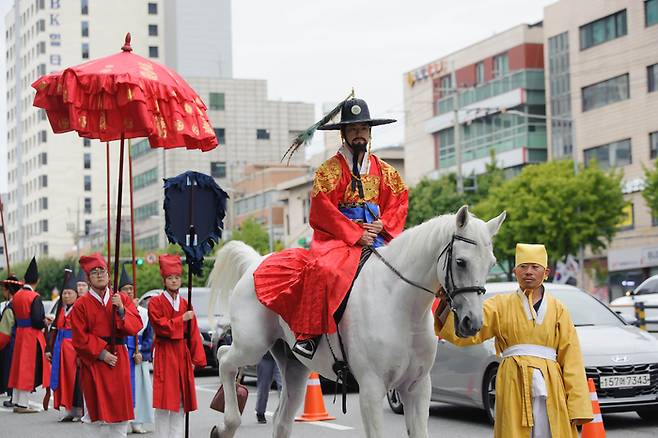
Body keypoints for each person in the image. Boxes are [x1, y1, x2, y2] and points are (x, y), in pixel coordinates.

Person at [253, 96, 408, 359]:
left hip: (379, 236)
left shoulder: (385, 171)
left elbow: (399, 202)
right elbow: (323, 211)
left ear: (369, 133)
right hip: (339, 239)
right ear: (344, 135)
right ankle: (310, 334)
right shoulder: (328, 171)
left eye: (363, 129)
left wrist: (384, 224)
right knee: (324, 270)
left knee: (411, 269)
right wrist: (357, 233)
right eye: (353, 129)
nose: (359, 134)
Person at [434, 243, 593, 438]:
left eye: (535, 267)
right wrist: (445, 304)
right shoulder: (499, 305)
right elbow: (469, 332)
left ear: (546, 272)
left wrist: (578, 406)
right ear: (515, 271)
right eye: (523, 267)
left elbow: (572, 359)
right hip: (512, 380)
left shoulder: (559, 309)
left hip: (550, 382)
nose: (528, 272)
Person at [71, 253, 143, 437]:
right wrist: (102, 354)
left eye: (102, 270)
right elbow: (79, 338)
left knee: (120, 413)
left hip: (119, 358)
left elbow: (136, 326)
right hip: (94, 360)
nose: (99, 274)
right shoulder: (81, 305)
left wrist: (121, 310)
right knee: (93, 414)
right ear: (88, 278)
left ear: (109, 275)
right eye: (94, 272)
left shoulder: (121, 299)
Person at [148, 254, 206, 438]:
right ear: (164, 280)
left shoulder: (185, 303)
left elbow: (193, 333)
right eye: (170, 278)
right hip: (165, 352)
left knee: (181, 403)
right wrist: (182, 318)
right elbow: (161, 326)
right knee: (165, 403)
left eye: (177, 277)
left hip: (181, 353)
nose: (174, 281)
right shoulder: (155, 302)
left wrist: (195, 359)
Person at [8, 257, 50, 413]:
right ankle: (23, 404)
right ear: (37, 280)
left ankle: (18, 400)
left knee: (18, 367)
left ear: (24, 279)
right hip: (31, 336)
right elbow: (37, 320)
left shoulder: (17, 296)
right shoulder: (35, 297)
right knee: (26, 368)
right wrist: (45, 322)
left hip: (19, 333)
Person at [118, 264, 154, 434]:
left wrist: (143, 352)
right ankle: (123, 421)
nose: (129, 292)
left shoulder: (143, 312)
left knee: (140, 389)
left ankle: (138, 421)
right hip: (123, 354)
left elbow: (149, 336)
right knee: (124, 389)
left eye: (131, 289)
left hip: (138, 356)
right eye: (125, 289)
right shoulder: (116, 311)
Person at [49, 272, 83, 421]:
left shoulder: (80, 308)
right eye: (64, 293)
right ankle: (69, 409)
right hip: (61, 349)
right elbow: (55, 329)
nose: (66, 296)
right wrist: (49, 349)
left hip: (74, 348)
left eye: (69, 293)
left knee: (76, 381)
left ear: (76, 295)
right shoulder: (61, 309)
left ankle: (79, 411)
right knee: (63, 379)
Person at [0, 275, 22, 408]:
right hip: (19, 340)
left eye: (4, 289)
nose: (3, 292)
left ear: (9, 291)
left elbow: (5, 331)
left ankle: (14, 396)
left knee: (11, 369)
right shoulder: (19, 303)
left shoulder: (11, 307)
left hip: (10, 342)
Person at [255, 351, 282, 424]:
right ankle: (260, 412)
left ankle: (283, 412)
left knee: (282, 386)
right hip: (265, 357)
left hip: (280, 357)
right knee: (264, 387)